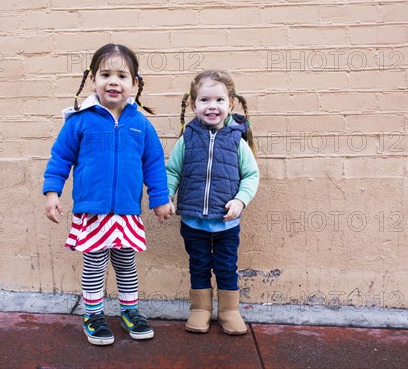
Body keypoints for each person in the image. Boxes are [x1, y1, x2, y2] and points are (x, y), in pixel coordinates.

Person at [43, 43, 172, 346]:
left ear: (134, 83)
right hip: (93, 211)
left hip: (127, 211)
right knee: (94, 263)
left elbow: (154, 163)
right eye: (106, 74)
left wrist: (160, 199)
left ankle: (130, 311)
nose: (113, 81)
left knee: (126, 263)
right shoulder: (80, 120)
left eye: (122, 76)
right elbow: (60, 158)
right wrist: (52, 193)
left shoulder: (140, 124)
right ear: (92, 79)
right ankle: (93, 314)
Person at [166, 70, 260, 335]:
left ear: (230, 104)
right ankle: (200, 309)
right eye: (204, 100)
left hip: (226, 224)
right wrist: (167, 197)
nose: (212, 106)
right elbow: (172, 171)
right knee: (198, 265)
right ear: (193, 105)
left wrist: (240, 201)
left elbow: (251, 175)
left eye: (219, 100)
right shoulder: (187, 138)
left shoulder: (236, 139)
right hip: (193, 221)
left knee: (226, 267)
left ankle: (229, 310)